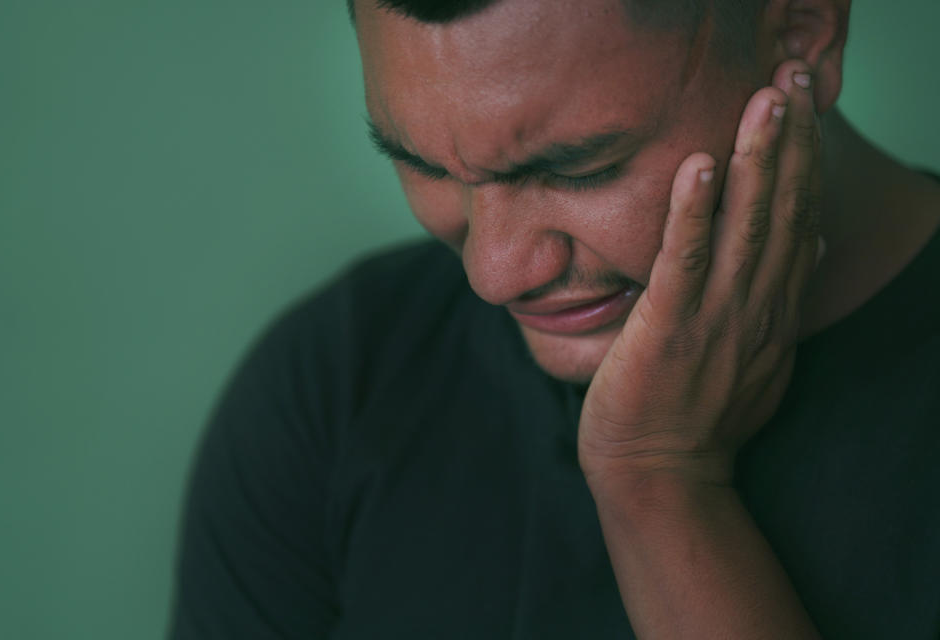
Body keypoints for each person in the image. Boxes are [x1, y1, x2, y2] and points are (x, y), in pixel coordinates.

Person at [168, 0, 940, 637]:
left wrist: (659, 482)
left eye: (578, 167)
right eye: (425, 165)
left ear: (802, 29)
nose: (495, 274)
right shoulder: (335, 382)